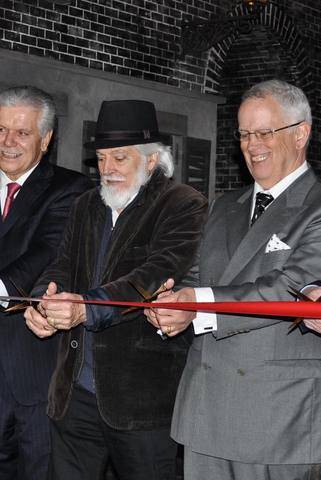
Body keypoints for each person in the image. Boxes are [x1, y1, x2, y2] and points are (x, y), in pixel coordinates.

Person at [146, 79, 321, 480]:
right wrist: (169, 304)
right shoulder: (225, 205)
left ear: (300, 133)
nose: (251, 144)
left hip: (282, 416)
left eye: (263, 132)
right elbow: (195, 276)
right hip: (206, 411)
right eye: (243, 134)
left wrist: (196, 306)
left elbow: (290, 286)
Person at [24, 99, 208, 480]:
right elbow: (61, 265)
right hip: (75, 394)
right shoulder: (86, 203)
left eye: (119, 159)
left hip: (140, 401)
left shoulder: (182, 204)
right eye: (102, 158)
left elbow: (154, 275)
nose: (107, 169)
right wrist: (46, 302)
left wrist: (85, 309)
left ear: (152, 160)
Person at [0, 85, 92, 480]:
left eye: (21, 132)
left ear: (46, 139)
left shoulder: (71, 190)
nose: (8, 142)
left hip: (32, 369)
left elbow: (46, 251)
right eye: (1, 129)